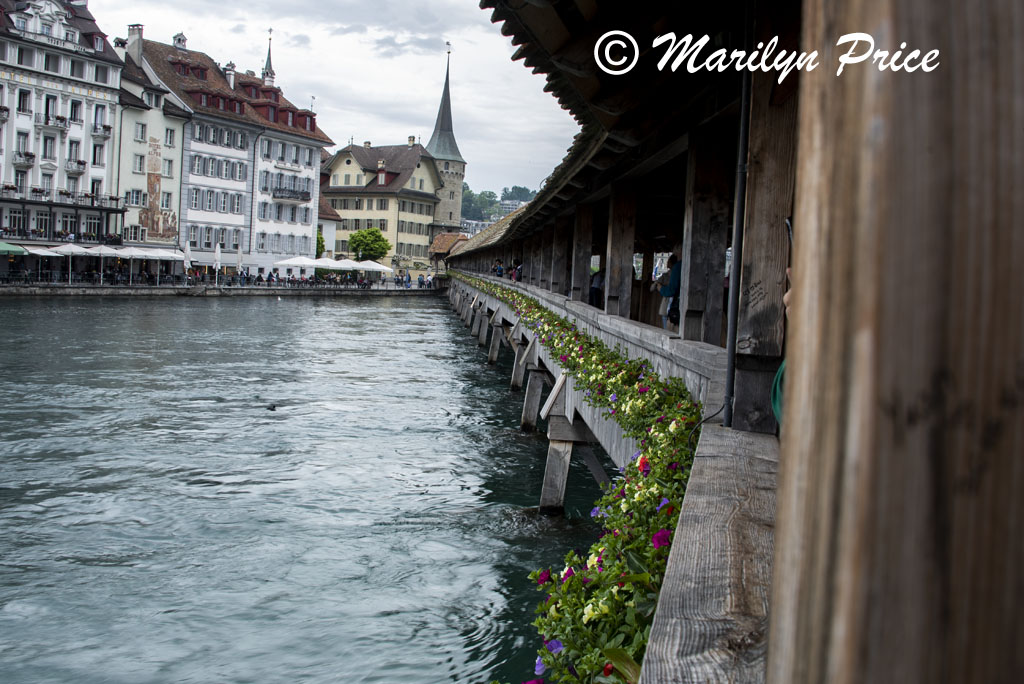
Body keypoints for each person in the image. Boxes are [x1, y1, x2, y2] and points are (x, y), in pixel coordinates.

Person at [651, 254, 678, 328]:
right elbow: (652, 288)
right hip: (668, 302)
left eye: (668, 261)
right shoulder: (665, 275)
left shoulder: (668, 275)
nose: (667, 263)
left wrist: (660, 286)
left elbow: (653, 288)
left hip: (672, 301)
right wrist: (657, 284)